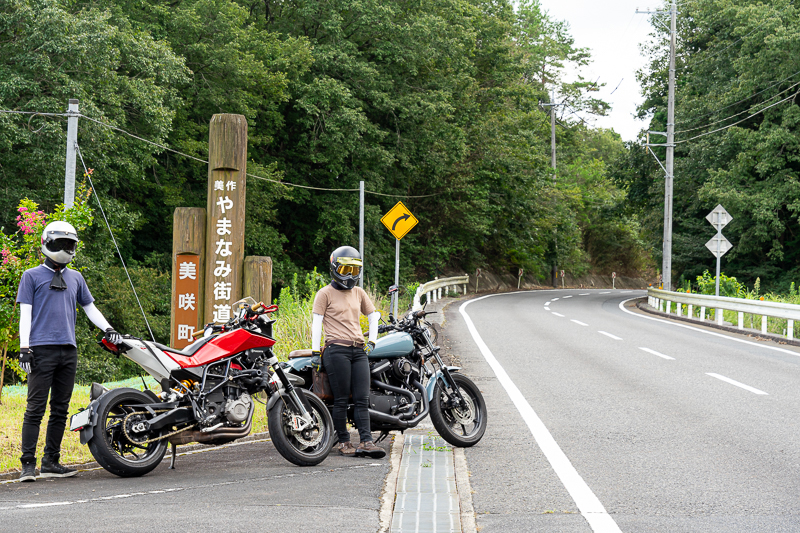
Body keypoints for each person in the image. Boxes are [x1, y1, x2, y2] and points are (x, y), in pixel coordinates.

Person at [15, 221, 122, 482]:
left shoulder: (75, 277)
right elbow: (25, 314)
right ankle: (27, 464)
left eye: (69, 244)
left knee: (60, 409)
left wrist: (109, 328)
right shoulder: (31, 275)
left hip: (68, 350)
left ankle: (51, 460)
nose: (64, 248)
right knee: (35, 408)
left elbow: (89, 308)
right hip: (40, 349)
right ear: (46, 243)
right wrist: (24, 348)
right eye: (60, 243)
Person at [311, 245, 385, 458]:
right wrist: (316, 351)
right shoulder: (324, 293)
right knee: (341, 398)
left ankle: (366, 442)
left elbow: (373, 316)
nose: (350, 275)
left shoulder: (359, 292)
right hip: (336, 350)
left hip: (358, 350)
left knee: (362, 397)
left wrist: (372, 341)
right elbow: (316, 323)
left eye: (354, 270)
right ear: (334, 268)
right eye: (345, 270)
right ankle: (344, 442)